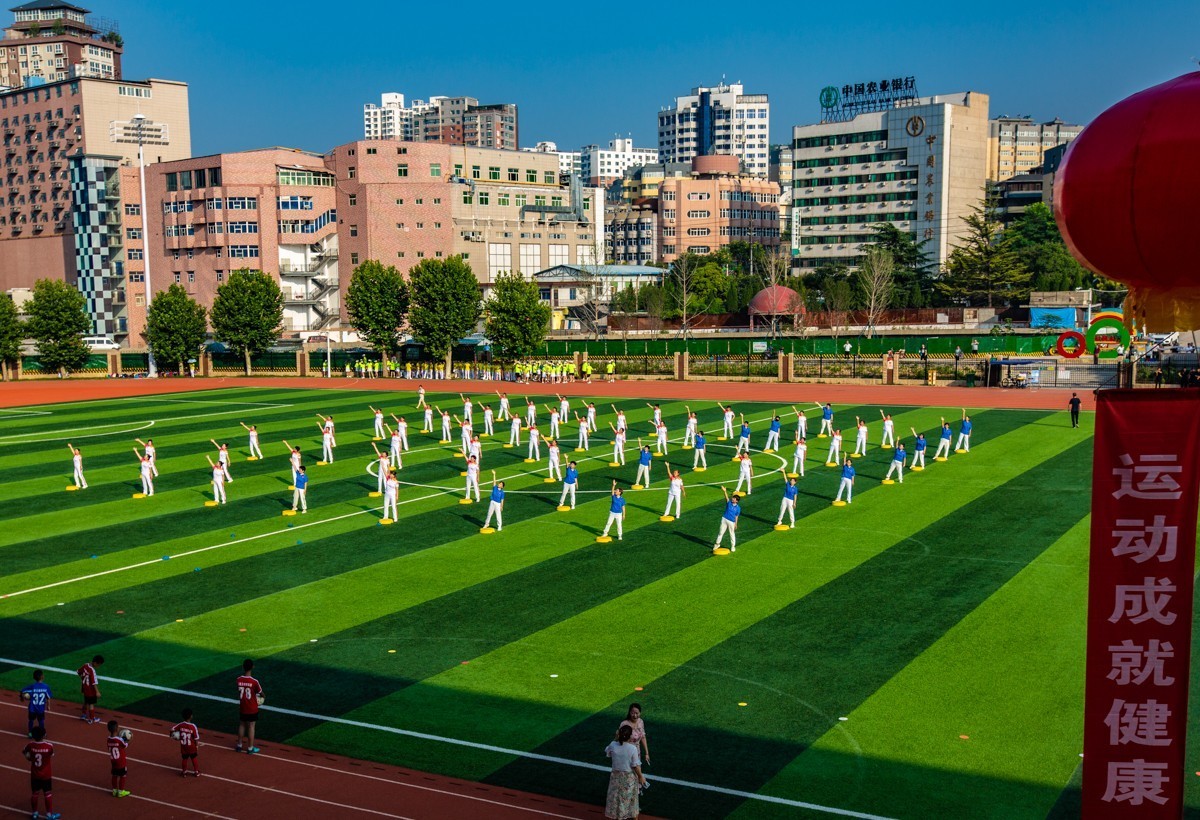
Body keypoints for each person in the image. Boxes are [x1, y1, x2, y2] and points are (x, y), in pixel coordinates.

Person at [604, 724, 645, 819]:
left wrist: (615, 738)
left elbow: (607, 751)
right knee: (631, 802)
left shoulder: (613, 745)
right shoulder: (632, 749)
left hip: (615, 778)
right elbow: (636, 766)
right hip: (628, 779)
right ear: (630, 736)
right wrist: (640, 776)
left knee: (615, 800)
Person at [23, 726, 58, 819]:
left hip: (35, 775)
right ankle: (49, 815)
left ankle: (34, 813)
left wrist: (29, 757)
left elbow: (24, 752)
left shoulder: (30, 745)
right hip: (46, 775)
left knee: (35, 793)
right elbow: (51, 754)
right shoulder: (49, 746)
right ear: (44, 735)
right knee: (48, 793)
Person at [235, 659, 263, 754]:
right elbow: (261, 694)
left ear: (243, 667)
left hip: (243, 707)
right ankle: (250, 748)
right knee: (251, 726)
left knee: (242, 724)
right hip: (252, 708)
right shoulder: (255, 681)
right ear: (252, 667)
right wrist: (261, 699)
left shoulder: (238, 680)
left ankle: (239, 745)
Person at [170, 708, 201, 777]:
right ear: (191, 716)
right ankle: (196, 772)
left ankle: (184, 772)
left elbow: (172, 729)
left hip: (184, 746)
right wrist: (197, 746)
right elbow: (196, 738)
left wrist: (173, 736)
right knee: (194, 758)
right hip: (192, 746)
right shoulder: (193, 726)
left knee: (184, 758)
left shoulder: (180, 725)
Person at [21, 669, 52, 737]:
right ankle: (43, 733)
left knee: (31, 720)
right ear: (42, 677)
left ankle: (30, 733)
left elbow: (23, 690)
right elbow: (48, 697)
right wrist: (48, 706)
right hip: (40, 708)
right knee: (41, 721)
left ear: (34, 678)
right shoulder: (46, 687)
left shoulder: (32, 686)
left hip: (32, 708)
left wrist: (23, 697)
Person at [713, 487, 741, 553]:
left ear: (736, 501)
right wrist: (724, 491)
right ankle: (717, 544)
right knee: (721, 532)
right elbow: (726, 497)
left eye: (734, 498)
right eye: (733, 497)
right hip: (724, 519)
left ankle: (733, 546)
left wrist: (736, 524)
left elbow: (736, 516)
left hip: (731, 522)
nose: (732, 498)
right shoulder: (729, 503)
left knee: (732, 534)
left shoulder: (738, 508)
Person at [107, 719, 131, 797]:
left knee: (114, 775)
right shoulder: (119, 740)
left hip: (113, 761)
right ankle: (121, 791)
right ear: (117, 728)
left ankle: (114, 790)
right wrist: (129, 739)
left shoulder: (108, 739)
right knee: (123, 776)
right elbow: (125, 745)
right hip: (121, 761)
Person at [78, 654, 104, 724]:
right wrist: (97, 692)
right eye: (99, 664)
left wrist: (83, 680)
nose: (98, 666)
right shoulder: (92, 670)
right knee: (91, 704)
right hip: (90, 690)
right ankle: (92, 719)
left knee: (85, 702)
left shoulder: (85, 665)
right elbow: (93, 683)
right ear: (95, 663)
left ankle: (83, 715)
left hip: (85, 688)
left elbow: (78, 672)